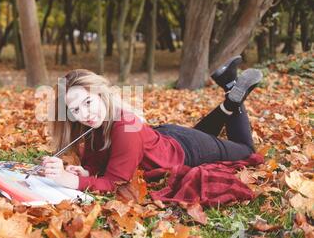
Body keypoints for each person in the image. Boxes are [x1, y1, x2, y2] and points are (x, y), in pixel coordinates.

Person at [41, 56, 263, 194]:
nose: (85, 113)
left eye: (88, 102)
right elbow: (99, 161)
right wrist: (85, 170)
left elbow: (115, 183)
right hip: (168, 137)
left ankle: (233, 92)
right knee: (205, 135)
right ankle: (229, 84)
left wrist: (71, 181)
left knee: (246, 150)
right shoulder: (94, 124)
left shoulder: (124, 126)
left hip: (187, 150)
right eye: (76, 109)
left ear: (101, 95)